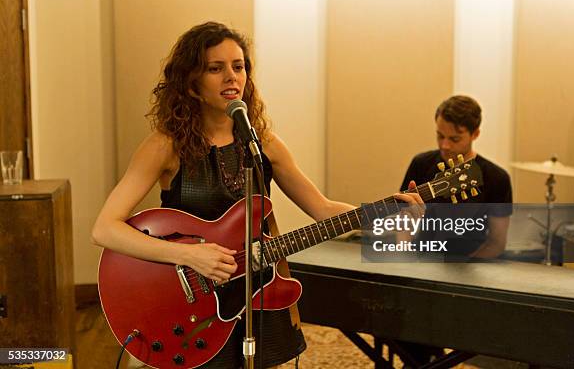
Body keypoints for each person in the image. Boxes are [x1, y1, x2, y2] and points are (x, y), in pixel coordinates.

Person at [92, 21, 424, 368]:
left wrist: (382, 213)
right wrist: (188, 256)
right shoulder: (165, 146)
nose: (231, 78)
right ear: (191, 84)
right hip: (193, 305)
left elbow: (322, 208)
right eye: (215, 68)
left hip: (257, 294)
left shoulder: (262, 142)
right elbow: (104, 228)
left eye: (238, 67)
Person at [400, 95, 512, 260]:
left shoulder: (496, 178)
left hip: (470, 267)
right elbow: (404, 221)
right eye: (440, 136)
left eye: (454, 139)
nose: (445, 145)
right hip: (422, 260)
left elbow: (496, 243)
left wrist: (463, 273)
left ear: (475, 134)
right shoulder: (421, 164)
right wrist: (404, 253)